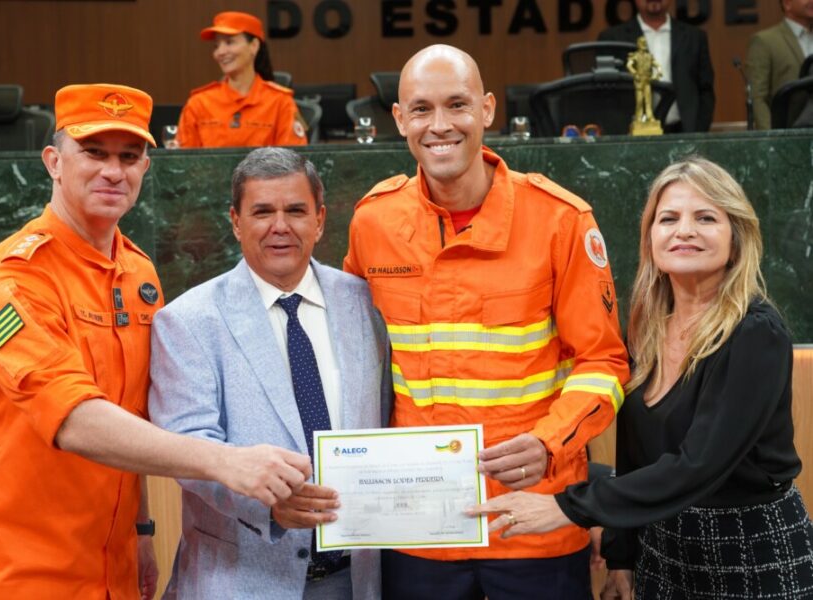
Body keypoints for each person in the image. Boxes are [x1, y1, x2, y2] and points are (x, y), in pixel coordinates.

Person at [0, 84, 312, 600]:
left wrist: (142, 530)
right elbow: (75, 419)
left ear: (144, 170)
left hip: (111, 573)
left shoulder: (138, 275)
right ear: (53, 162)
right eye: (94, 152)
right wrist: (226, 461)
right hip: (13, 574)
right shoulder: (11, 280)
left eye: (130, 156)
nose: (114, 170)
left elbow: (129, 417)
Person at [343, 44, 630, 599]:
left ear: (488, 109)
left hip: (533, 521)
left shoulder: (560, 220)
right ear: (399, 119)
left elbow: (604, 363)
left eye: (458, 104)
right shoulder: (372, 221)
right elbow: (357, 357)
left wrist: (550, 443)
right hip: (416, 529)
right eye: (421, 109)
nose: (441, 125)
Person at [467, 156, 813, 599]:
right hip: (662, 548)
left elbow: (697, 466)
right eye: (668, 219)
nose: (684, 230)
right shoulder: (647, 327)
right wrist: (621, 556)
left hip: (748, 549)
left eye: (705, 218)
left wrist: (566, 508)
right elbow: (634, 455)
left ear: (737, 238)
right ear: (651, 238)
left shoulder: (754, 333)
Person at [148, 147, 392, 599]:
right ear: (236, 221)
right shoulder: (188, 321)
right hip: (242, 580)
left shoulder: (365, 302)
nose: (280, 226)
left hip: (355, 580)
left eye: (295, 210)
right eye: (262, 211)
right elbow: (186, 447)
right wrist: (267, 506)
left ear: (319, 220)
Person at [176, 11, 307, 148]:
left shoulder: (281, 102)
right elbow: (182, 163)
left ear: (254, 46)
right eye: (216, 45)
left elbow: (294, 162)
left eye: (229, 42)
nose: (220, 52)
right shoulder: (198, 103)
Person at [599, 0, 715, 133]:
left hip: (683, 131)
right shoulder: (612, 38)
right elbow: (605, 95)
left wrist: (698, 130)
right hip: (631, 134)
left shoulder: (694, 37)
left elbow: (706, 90)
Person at [747, 0, 813, 129]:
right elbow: (758, 97)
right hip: (787, 132)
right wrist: (772, 139)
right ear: (787, 3)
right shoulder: (765, 40)